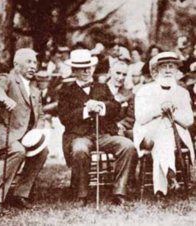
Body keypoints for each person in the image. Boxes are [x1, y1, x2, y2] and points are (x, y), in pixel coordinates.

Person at [58, 49, 137, 207]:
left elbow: (115, 108)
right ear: (74, 71)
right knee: (80, 150)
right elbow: (64, 118)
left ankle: (119, 192)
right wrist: (87, 110)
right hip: (79, 136)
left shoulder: (102, 87)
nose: (87, 71)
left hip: (104, 134)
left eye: (89, 67)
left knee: (128, 146)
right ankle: (82, 194)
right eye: (82, 68)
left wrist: (101, 106)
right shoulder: (66, 91)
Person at [0, 48, 49, 214]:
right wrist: (3, 98)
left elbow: (41, 115)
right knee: (18, 150)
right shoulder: (7, 79)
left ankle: (20, 194)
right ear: (16, 65)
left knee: (42, 151)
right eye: (29, 62)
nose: (33, 66)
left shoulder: (35, 90)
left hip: (19, 136)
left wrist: (37, 132)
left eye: (35, 63)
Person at [133, 52, 195, 196]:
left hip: (176, 136)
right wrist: (159, 109)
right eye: (163, 66)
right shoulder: (145, 90)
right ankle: (171, 177)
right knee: (162, 133)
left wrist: (173, 112)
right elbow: (140, 117)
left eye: (171, 66)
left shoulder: (183, 93)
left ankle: (163, 185)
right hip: (148, 135)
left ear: (176, 70)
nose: (168, 70)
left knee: (164, 136)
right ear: (157, 70)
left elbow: (188, 121)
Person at [107, 61, 135, 140]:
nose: (121, 77)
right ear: (110, 72)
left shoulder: (130, 94)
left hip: (120, 130)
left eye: (124, 74)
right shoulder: (98, 90)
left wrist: (121, 125)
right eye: (118, 73)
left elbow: (131, 117)